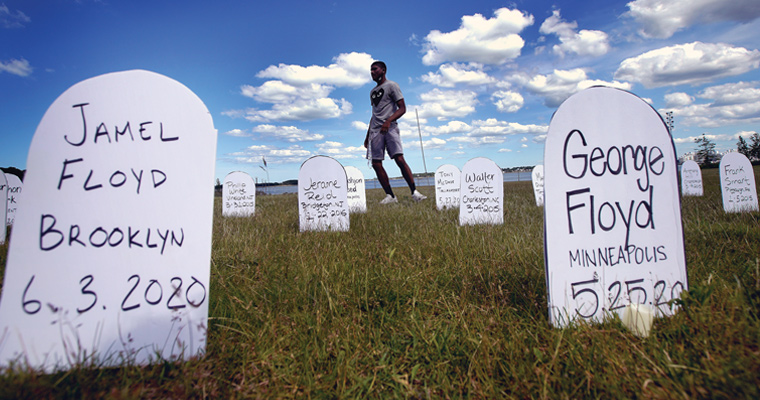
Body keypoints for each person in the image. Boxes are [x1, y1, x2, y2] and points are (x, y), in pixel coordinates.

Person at [363, 61, 427, 204]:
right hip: (375, 131)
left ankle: (414, 192)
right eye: (370, 70)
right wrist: (367, 136)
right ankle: (390, 196)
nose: (372, 72)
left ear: (383, 70)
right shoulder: (372, 92)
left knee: (399, 159)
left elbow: (402, 108)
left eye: (375, 69)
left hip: (390, 128)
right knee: (376, 163)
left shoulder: (392, 86)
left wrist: (388, 121)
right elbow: (374, 114)